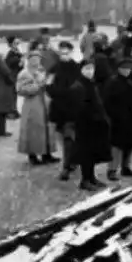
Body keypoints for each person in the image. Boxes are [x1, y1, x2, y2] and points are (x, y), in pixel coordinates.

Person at [70, 59, 112, 191]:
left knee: (93, 153)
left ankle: (92, 177)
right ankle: (85, 180)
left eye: (92, 68)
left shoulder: (90, 84)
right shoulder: (78, 86)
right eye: (87, 68)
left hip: (94, 125)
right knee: (85, 154)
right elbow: (79, 108)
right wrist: (94, 117)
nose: (90, 71)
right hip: (85, 126)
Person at [46, 41, 81, 181]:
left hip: (73, 108)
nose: (64, 55)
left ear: (71, 52)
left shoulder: (76, 68)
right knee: (64, 137)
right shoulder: (54, 68)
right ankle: (72, 160)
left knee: (68, 137)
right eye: (62, 53)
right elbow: (48, 86)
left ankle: (66, 166)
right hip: (59, 108)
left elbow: (80, 87)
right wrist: (55, 92)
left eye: (66, 53)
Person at [103, 56, 132, 180]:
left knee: (129, 144)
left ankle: (126, 167)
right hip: (118, 118)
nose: (127, 70)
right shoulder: (113, 82)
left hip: (131, 117)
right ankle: (112, 169)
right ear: (119, 69)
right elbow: (107, 101)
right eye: (124, 68)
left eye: (129, 68)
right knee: (117, 145)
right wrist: (113, 115)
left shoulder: (131, 81)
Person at [16, 51, 55, 165]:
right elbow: (20, 90)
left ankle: (46, 153)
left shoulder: (41, 71)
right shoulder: (24, 73)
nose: (36, 61)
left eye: (38, 59)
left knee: (46, 128)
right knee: (33, 129)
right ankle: (32, 155)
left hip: (43, 102)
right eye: (34, 59)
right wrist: (37, 86)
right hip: (32, 104)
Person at [5, 35, 23, 120]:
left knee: (14, 94)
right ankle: (10, 112)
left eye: (17, 43)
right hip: (11, 76)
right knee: (11, 94)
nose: (17, 44)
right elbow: (9, 63)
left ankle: (14, 110)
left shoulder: (17, 52)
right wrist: (19, 60)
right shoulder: (10, 53)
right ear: (11, 44)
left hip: (16, 76)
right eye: (15, 43)